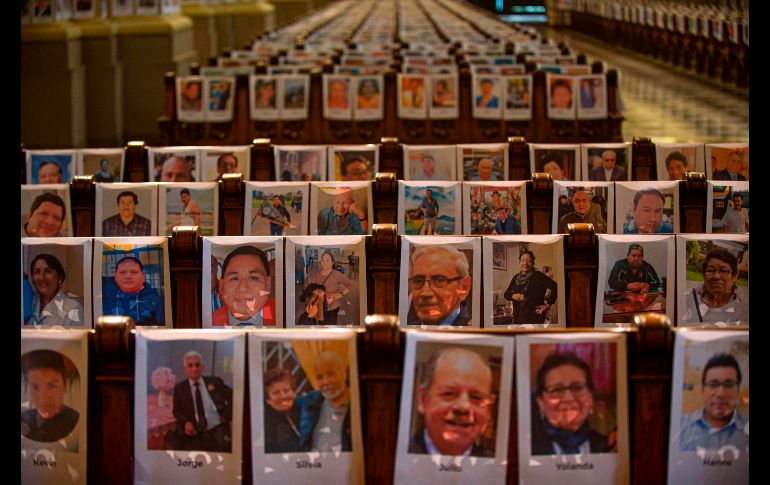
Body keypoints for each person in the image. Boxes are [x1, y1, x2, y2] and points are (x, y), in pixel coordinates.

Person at [409, 347, 496, 456]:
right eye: (449, 394)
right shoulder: (394, 456)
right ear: (423, 399)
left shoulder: (496, 464)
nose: (463, 407)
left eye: (476, 397)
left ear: (488, 410)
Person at [532, 352, 609, 455]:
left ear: (590, 398)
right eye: (556, 390)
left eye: (577, 387)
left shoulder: (609, 447)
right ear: (541, 402)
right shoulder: (527, 448)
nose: (568, 398)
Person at [679, 353, 748, 452]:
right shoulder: (680, 427)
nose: (721, 394)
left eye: (729, 385)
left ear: (738, 390)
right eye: (713, 384)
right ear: (703, 389)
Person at [172, 351, 233, 452]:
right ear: (185, 369)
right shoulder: (179, 388)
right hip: (193, 434)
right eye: (190, 365)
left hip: (216, 432)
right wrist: (186, 422)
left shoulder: (215, 382)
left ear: (202, 367)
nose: (194, 368)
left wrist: (226, 416)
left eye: (197, 365)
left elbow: (233, 397)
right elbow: (177, 411)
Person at [296, 352, 352, 452]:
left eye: (330, 374)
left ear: (344, 373)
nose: (325, 382)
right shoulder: (310, 401)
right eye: (320, 377)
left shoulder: (358, 403)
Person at [21, 350, 79, 443]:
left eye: (52, 386)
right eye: (35, 387)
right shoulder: (24, 418)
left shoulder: (74, 420)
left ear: (64, 385)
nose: (42, 398)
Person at [406, 245, 472, 326]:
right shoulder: (405, 329)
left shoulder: (476, 330)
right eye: (418, 281)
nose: (425, 293)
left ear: (464, 287)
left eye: (439, 280)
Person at [212, 246, 276, 326]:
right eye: (234, 278)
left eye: (253, 278)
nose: (243, 288)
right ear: (221, 286)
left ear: (268, 284)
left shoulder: (285, 317)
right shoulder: (207, 323)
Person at [683, 249, 747, 324]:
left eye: (723, 271)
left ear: (734, 277)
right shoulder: (685, 298)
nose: (716, 276)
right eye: (711, 270)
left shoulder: (744, 309)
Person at [26, 253, 84, 326]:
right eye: (37, 272)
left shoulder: (73, 308)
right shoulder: (28, 303)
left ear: (60, 278)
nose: (41, 277)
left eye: (48, 271)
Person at [103, 256, 164, 325]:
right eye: (122, 272)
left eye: (134, 272)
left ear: (143, 276)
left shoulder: (156, 301)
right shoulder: (107, 299)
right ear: (115, 276)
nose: (128, 276)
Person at [503, 250, 558, 325]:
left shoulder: (539, 276)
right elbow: (506, 294)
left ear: (533, 264)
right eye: (523, 260)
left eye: (529, 261)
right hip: (518, 318)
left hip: (535, 318)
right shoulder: (515, 277)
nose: (525, 263)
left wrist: (547, 305)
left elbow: (556, 286)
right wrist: (513, 296)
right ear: (519, 262)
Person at [304, 251, 353, 324]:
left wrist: (340, 294)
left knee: (330, 327)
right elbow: (311, 288)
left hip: (332, 308)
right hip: (320, 306)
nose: (324, 262)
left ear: (332, 263)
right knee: (321, 325)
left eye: (327, 260)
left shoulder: (336, 274)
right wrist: (312, 297)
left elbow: (350, 284)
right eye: (323, 260)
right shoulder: (317, 274)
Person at [263, 368, 303, 453]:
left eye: (287, 390)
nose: (283, 396)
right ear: (267, 399)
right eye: (276, 393)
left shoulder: (305, 411)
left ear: (294, 392)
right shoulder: (264, 422)